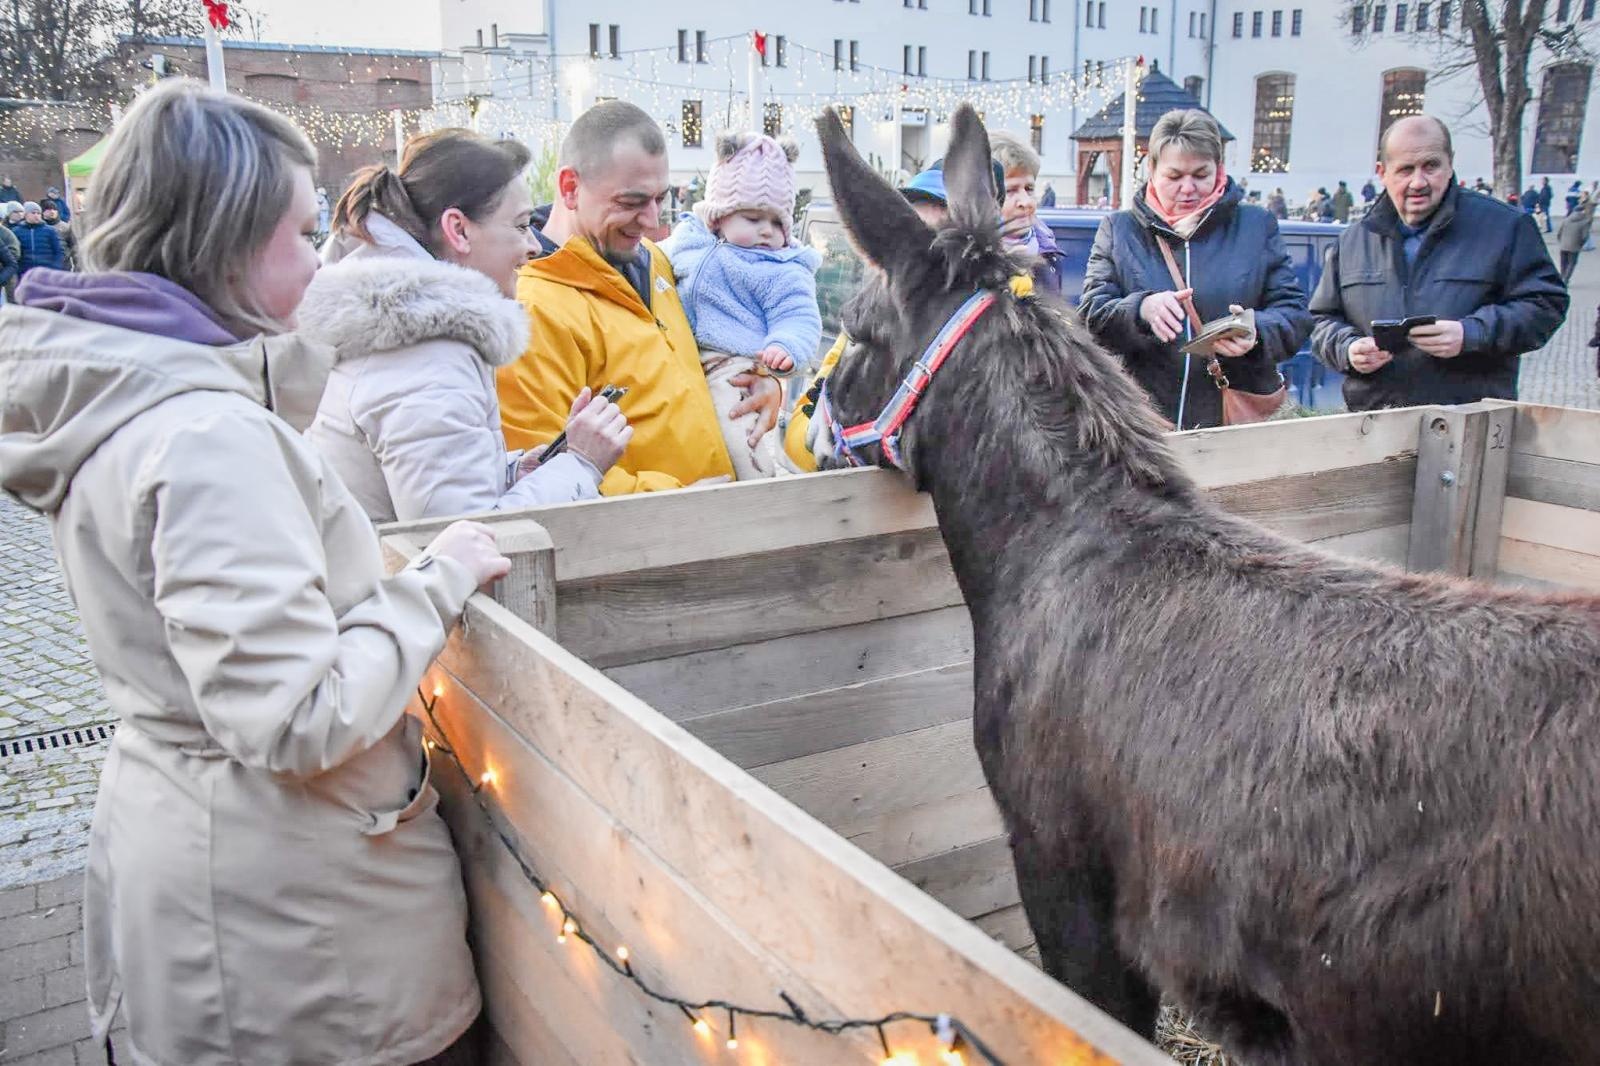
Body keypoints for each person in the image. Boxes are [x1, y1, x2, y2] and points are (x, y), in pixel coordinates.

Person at [0, 79, 500, 1066]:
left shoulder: (134, 396)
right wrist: (434, 580)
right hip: (302, 943)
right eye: (303, 233)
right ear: (225, 244)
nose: (321, 259)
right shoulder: (207, 436)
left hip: (208, 877)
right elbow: (291, 714)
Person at [299, 128, 631, 522]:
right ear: (458, 229)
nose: (535, 246)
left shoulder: (412, 333)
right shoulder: (426, 357)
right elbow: (465, 538)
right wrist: (580, 464)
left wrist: (515, 472)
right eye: (522, 225)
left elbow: (434, 493)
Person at [497, 100, 783, 493]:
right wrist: (677, 502)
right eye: (631, 203)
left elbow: (710, 347)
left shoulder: (654, 262)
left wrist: (761, 382)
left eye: (660, 199)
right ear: (569, 187)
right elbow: (541, 472)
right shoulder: (530, 310)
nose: (651, 220)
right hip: (652, 542)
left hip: (711, 529)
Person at [1310, 115, 1567, 410]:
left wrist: (1472, 333)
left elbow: (1546, 304)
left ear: (1450, 164)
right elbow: (1321, 320)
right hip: (1374, 424)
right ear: (1383, 172)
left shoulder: (1505, 227)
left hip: (1468, 423)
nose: (1418, 182)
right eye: (1405, 169)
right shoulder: (1354, 240)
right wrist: (1347, 348)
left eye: (1431, 166)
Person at [1080, 108, 1312, 429]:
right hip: (1146, 423)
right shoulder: (1119, 230)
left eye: (1200, 175)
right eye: (1174, 176)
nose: (1188, 188)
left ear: (1219, 169)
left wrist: (1255, 332)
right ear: (1152, 169)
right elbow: (1091, 316)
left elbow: (1295, 316)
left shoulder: (1256, 226)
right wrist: (1141, 309)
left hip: (1232, 421)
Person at [660, 131, 822, 480]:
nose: (767, 231)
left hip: (731, 368)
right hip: (680, 361)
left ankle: (757, 489)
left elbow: (798, 316)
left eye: (777, 222)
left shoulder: (781, 269)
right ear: (718, 218)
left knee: (739, 436)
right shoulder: (688, 240)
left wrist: (785, 346)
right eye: (753, 219)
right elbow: (655, 260)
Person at [989, 131, 1067, 293]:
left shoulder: (1047, 251)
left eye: (1029, 189)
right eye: (1010, 190)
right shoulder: (963, 264)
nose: (1026, 202)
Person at [12, 201, 64, 274]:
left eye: (38, 213)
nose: (36, 215)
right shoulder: (16, 231)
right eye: (33, 213)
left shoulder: (50, 230)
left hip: (47, 270)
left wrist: (56, 267)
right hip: (25, 271)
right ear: (26, 214)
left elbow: (58, 251)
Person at [1557, 191, 1594, 284]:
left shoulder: (1566, 220)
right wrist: (1581, 244)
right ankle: (1566, 279)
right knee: (1571, 263)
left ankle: (1562, 277)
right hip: (1574, 246)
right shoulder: (1584, 222)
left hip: (1563, 245)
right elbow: (1585, 236)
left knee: (1563, 263)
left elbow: (1559, 233)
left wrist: (1561, 241)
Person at [40, 200, 75, 270]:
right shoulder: (39, 228)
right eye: (49, 209)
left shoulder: (65, 227)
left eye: (54, 209)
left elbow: (74, 247)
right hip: (44, 265)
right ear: (43, 212)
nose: (52, 212)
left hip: (64, 266)